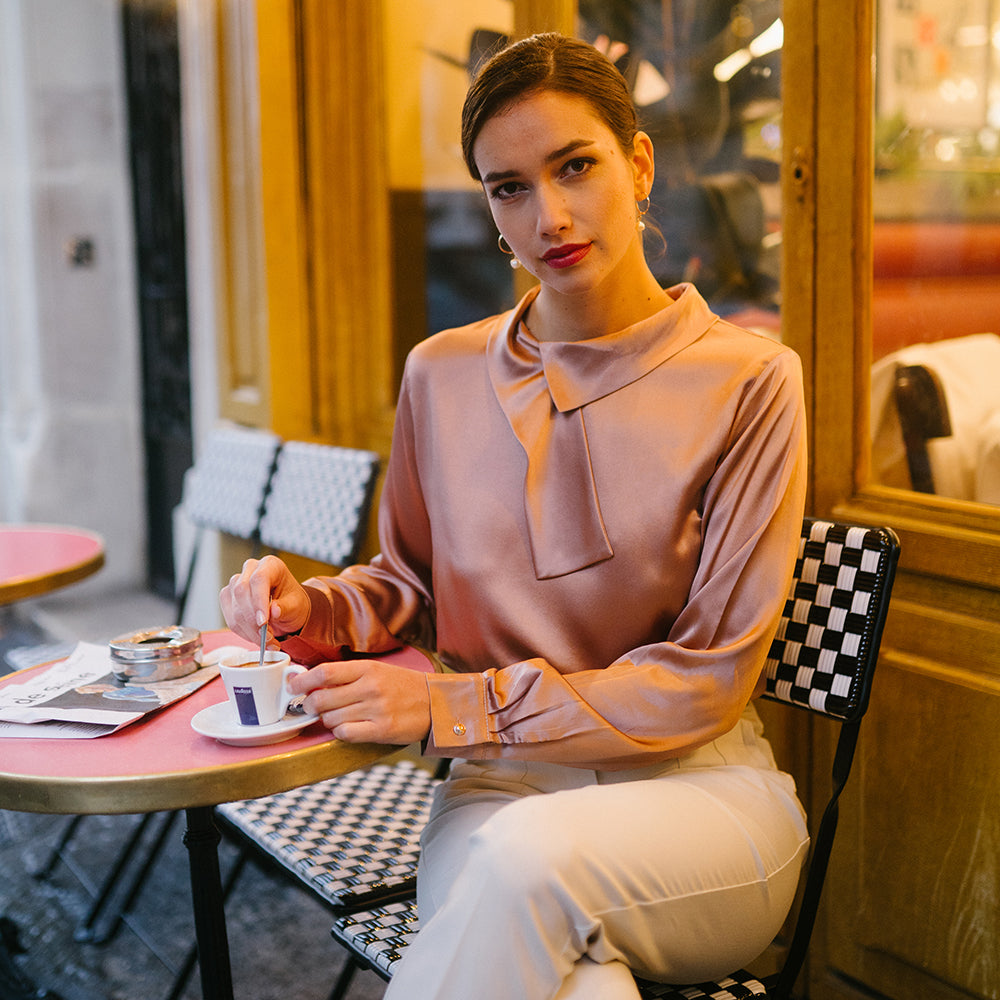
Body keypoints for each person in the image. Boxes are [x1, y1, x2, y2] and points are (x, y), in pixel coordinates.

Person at [220, 32, 809, 1000]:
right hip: (500, 788)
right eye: (510, 186)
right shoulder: (440, 371)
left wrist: (454, 706)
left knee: (523, 867)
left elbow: (705, 680)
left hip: (702, 798)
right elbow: (406, 582)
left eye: (575, 166)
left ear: (639, 162)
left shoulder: (749, 378)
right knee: (573, 971)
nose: (552, 215)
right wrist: (310, 612)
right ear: (489, 206)